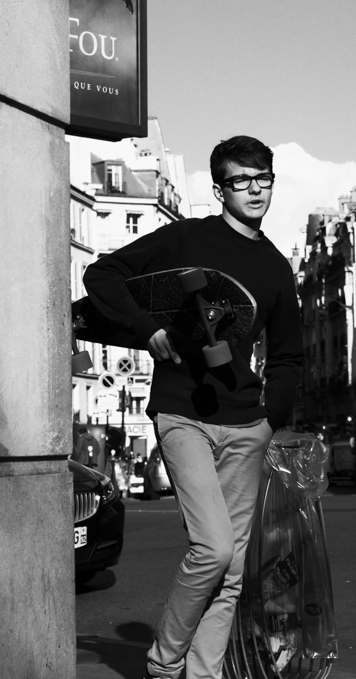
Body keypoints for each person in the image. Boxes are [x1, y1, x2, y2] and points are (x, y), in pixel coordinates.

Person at [83, 136, 303, 679]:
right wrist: (148, 327)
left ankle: (204, 675)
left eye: (263, 179)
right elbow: (101, 276)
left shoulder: (276, 267)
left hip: (246, 425)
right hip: (183, 413)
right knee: (213, 548)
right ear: (219, 189)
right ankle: (165, 662)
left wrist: (269, 417)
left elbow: (290, 356)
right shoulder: (186, 237)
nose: (254, 190)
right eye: (240, 181)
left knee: (231, 573)